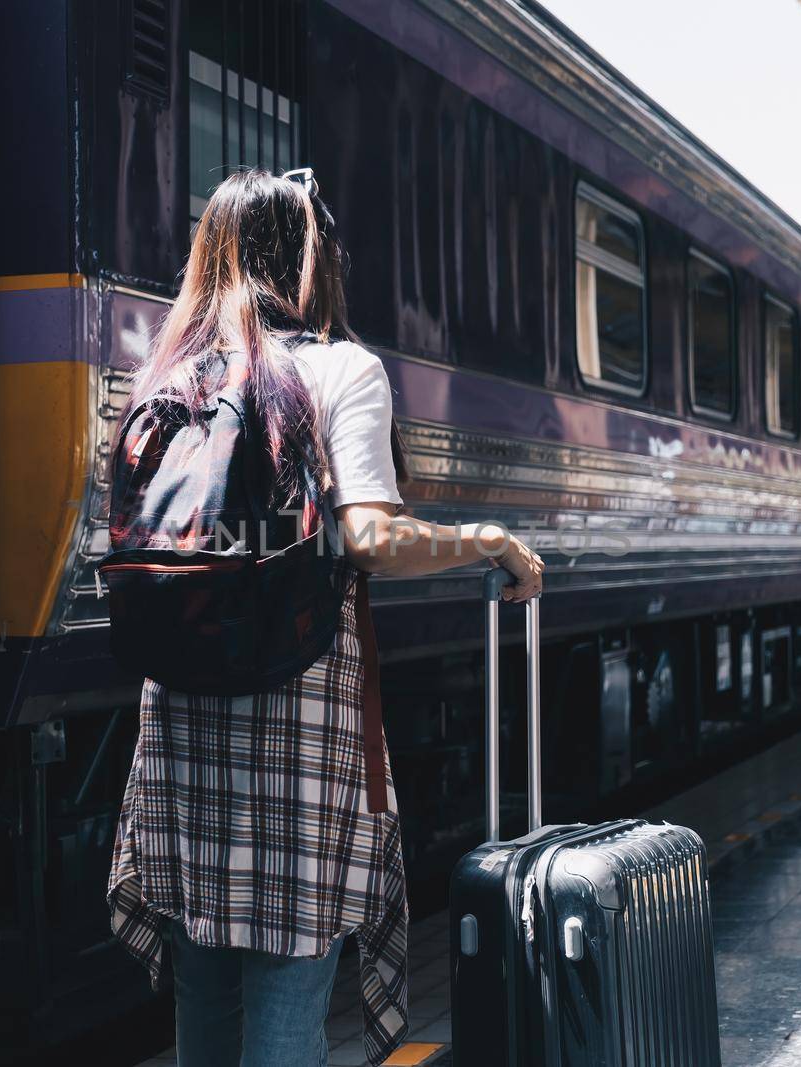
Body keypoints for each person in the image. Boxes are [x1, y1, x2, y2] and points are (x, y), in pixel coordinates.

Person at [105, 168, 545, 1067]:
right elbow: (372, 540)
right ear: (308, 263)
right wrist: (488, 537)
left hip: (181, 728)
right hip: (298, 732)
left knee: (206, 1018)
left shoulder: (168, 375)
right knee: (284, 1021)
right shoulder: (341, 369)